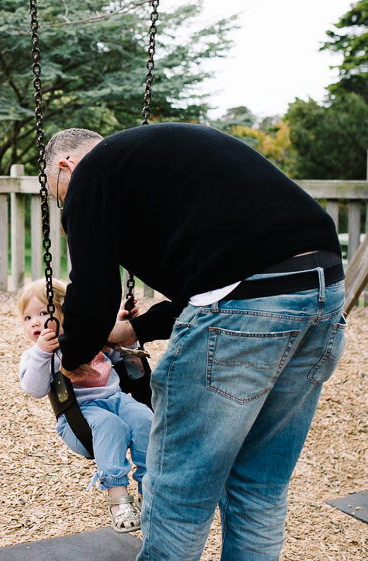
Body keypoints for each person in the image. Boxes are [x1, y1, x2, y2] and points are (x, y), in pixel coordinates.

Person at [44, 125, 346, 561]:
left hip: (247, 306)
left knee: (178, 490)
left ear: (65, 165)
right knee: (258, 488)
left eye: (59, 194)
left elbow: (92, 290)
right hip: (323, 295)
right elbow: (229, 270)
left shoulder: (91, 173)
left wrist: (72, 358)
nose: (66, 204)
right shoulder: (163, 160)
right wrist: (138, 329)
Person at [18, 278, 153, 533]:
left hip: (117, 400)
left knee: (147, 419)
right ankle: (117, 499)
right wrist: (42, 353)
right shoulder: (38, 355)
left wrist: (124, 326)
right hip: (80, 417)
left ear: (65, 313)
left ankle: (151, 488)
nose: (35, 322)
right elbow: (34, 390)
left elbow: (124, 354)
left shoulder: (90, 338)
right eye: (28, 318)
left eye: (44, 313)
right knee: (111, 426)